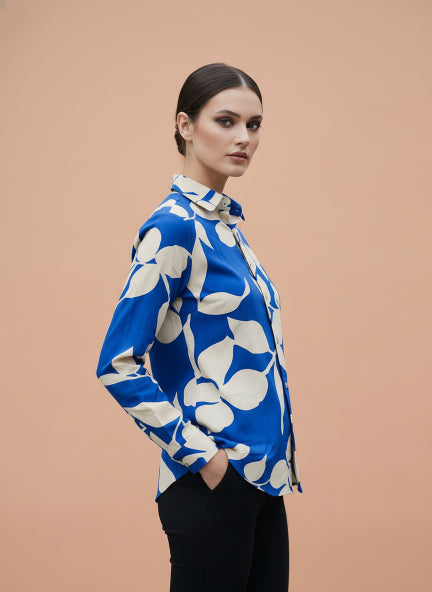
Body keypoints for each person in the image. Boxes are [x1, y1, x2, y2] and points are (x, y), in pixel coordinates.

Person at [96, 62, 303, 592]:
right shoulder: (174, 227)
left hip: (264, 478)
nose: (244, 137)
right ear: (185, 125)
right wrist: (204, 457)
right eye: (226, 121)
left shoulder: (227, 229)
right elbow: (117, 364)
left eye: (254, 125)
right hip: (214, 480)